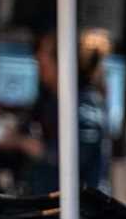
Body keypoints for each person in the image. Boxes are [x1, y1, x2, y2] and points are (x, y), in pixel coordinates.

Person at [20, 29, 111, 194]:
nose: (38, 58)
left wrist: (25, 143)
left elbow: (72, 155)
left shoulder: (85, 105)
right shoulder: (51, 98)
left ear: (61, 63)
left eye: (44, 53)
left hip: (77, 210)